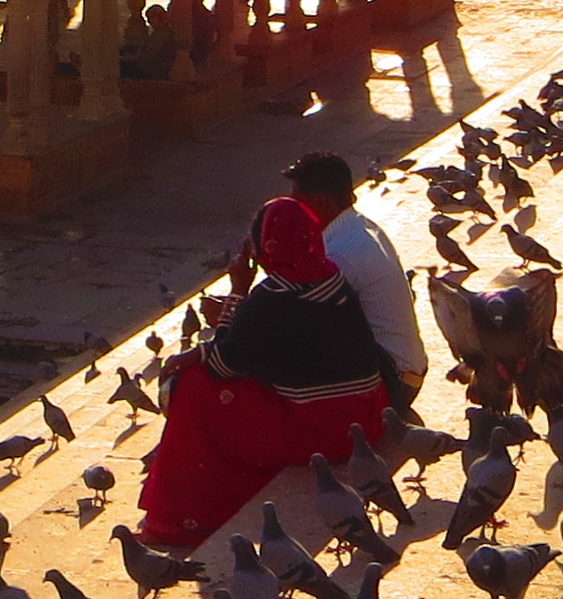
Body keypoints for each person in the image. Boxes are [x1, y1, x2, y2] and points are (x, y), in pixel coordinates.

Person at [134, 195, 394, 548]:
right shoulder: (333, 277)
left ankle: (180, 519)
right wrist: (206, 349)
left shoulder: (272, 295)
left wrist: (238, 290)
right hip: (367, 419)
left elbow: (225, 366)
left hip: (320, 434)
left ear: (266, 245)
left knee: (194, 385)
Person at [283, 149, 424, 399]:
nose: (291, 206)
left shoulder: (339, 254)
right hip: (404, 366)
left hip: (393, 379)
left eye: (296, 198)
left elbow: (298, 321)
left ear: (321, 202)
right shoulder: (360, 227)